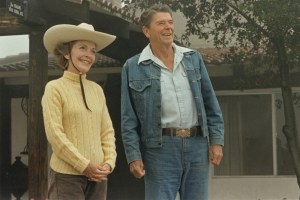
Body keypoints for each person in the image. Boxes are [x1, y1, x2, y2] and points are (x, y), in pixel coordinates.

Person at [121, 4, 224, 200]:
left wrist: (217, 141)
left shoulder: (193, 59)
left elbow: (211, 104)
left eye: (170, 22)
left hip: (197, 146)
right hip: (159, 150)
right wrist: (133, 156)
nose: (168, 27)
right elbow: (128, 119)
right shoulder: (133, 67)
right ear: (146, 31)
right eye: (161, 23)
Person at [42, 23, 117, 200]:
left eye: (92, 50)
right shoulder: (54, 88)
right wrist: (84, 165)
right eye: (82, 48)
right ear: (67, 52)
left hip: (98, 177)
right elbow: (55, 135)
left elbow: (107, 132)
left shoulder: (97, 90)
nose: (88, 55)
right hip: (66, 177)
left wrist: (108, 163)